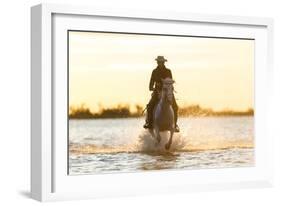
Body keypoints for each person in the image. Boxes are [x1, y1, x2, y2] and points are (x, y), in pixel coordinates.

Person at [143, 56, 180, 132]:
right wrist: (152, 88)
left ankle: (175, 125)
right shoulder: (154, 71)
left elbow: (170, 81)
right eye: (159, 62)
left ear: (163, 62)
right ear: (157, 62)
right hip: (157, 92)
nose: (160, 63)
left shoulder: (168, 71)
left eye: (161, 62)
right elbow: (151, 83)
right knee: (150, 106)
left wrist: (168, 87)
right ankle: (149, 123)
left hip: (168, 92)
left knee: (175, 107)